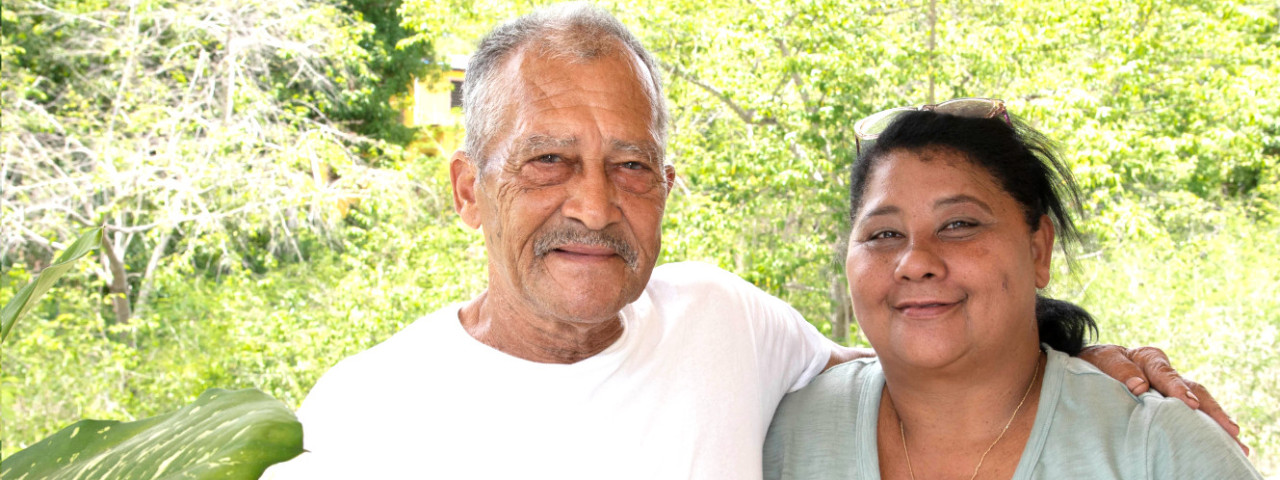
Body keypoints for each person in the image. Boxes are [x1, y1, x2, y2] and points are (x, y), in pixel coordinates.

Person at [265, 6, 1236, 479]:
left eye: (632, 165)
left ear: (666, 191)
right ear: (470, 191)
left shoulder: (722, 321)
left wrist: (1076, 358)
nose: (596, 207)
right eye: (548, 160)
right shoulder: (363, 417)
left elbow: (919, 353)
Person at [763, 99, 1260, 479]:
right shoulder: (779, 436)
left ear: (1038, 249)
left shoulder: (1154, 449)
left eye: (959, 224)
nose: (916, 262)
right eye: (884, 234)